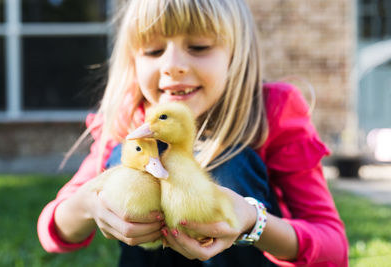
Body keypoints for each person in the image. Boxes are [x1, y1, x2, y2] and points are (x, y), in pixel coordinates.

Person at [37, 0, 348, 266]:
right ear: (133, 58)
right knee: (127, 157)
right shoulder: (130, 116)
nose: (173, 65)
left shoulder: (271, 111)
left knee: (231, 164)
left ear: (236, 52)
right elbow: (53, 230)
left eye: (199, 47)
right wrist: (87, 205)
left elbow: (333, 248)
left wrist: (251, 221)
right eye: (154, 50)